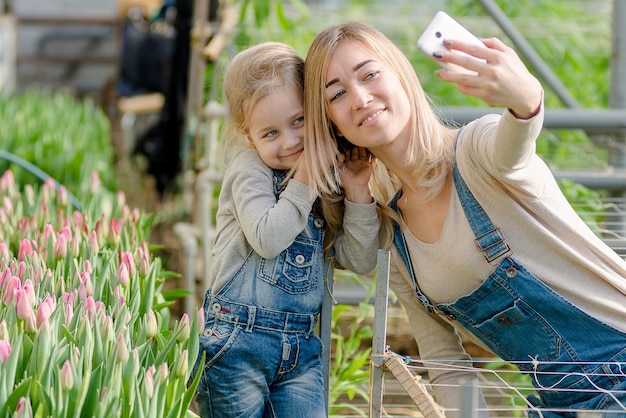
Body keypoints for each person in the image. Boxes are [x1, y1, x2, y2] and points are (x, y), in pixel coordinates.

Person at [301, 21, 626, 417]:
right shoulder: (394, 234)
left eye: (370, 74)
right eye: (337, 94)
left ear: (402, 75)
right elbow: (444, 359)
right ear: (332, 122)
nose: (360, 97)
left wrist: (526, 100)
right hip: (564, 403)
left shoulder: (476, 152)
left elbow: (515, 141)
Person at [190, 41, 380, 418]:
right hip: (237, 344)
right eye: (270, 133)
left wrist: (357, 191)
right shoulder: (250, 170)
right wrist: (307, 180)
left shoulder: (321, 178)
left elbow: (359, 260)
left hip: (301, 349)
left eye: (298, 121)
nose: (291, 140)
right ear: (249, 138)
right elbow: (268, 238)